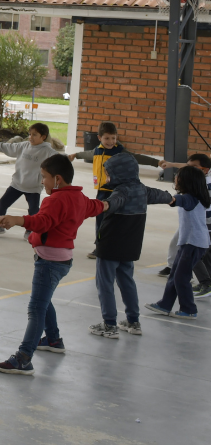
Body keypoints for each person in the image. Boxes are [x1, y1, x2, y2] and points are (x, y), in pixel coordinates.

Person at [0, 155, 108, 375]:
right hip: (62, 260)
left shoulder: (55, 200)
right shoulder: (80, 198)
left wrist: (17, 220)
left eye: (44, 177)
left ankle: (24, 358)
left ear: (58, 179)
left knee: (36, 307)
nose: (42, 182)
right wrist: (108, 203)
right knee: (44, 301)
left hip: (49, 263)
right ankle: (53, 340)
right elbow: (96, 207)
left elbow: (43, 222)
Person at [89, 153, 172, 338]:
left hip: (110, 245)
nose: (108, 178)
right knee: (127, 281)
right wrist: (172, 199)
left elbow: (112, 203)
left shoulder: (121, 191)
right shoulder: (143, 190)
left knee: (105, 284)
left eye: (109, 173)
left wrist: (102, 205)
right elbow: (161, 195)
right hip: (130, 246)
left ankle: (109, 324)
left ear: (120, 173)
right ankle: (133, 321)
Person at [69, 121, 160, 259]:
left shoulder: (120, 152)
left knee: (115, 220)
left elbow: (137, 158)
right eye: (107, 138)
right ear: (99, 138)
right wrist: (75, 155)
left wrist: (156, 162)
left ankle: (114, 245)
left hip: (115, 191)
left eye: (113, 138)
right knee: (100, 218)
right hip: (101, 191)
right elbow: (88, 154)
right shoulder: (97, 150)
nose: (110, 141)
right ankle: (99, 246)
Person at [145, 165, 211, 320]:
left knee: (181, 277)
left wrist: (153, 195)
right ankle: (165, 305)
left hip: (194, 243)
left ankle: (189, 309)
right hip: (188, 242)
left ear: (186, 181)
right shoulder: (195, 197)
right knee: (175, 274)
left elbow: (175, 200)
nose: (175, 177)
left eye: (178, 176)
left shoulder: (189, 199)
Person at [0, 123, 57, 236]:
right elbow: (8, 147)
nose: (31, 137)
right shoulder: (24, 146)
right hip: (17, 184)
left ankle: (30, 231)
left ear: (43, 137)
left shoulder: (47, 150)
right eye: (30, 134)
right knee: (3, 203)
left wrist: (68, 159)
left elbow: (59, 159)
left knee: (33, 211)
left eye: (34, 135)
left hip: (33, 188)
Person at [160, 154, 211, 296]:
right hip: (194, 230)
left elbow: (175, 200)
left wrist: (152, 195)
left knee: (191, 262)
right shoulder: (196, 183)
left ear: (205, 170)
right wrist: (170, 164)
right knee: (187, 257)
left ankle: (204, 284)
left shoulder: (194, 192)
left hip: (199, 231)